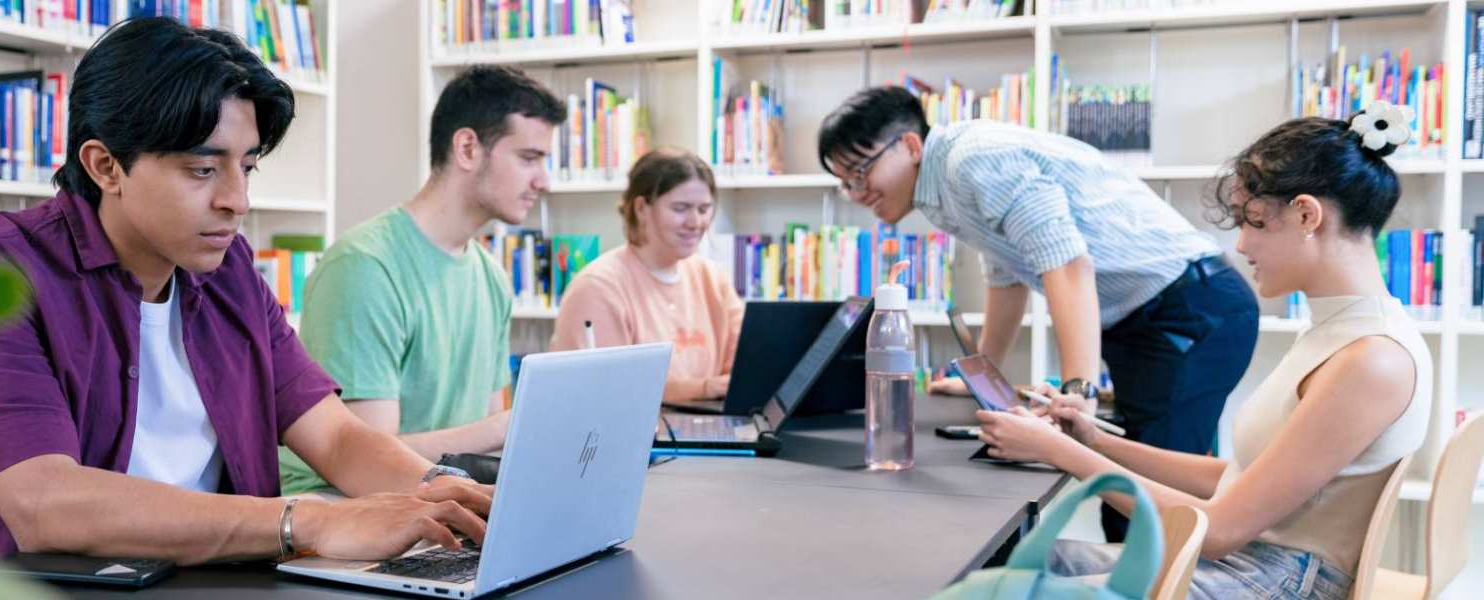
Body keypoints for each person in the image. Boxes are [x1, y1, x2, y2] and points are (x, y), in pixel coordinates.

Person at [0, 18, 493, 564]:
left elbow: (335, 435)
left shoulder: (229, 269)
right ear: (105, 166)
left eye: (247, 167)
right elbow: (45, 504)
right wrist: (306, 521)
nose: (237, 200)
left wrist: (443, 493)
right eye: (202, 169)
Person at [977, 110, 1436, 599]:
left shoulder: (1371, 359)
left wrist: (1056, 450)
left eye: (1254, 223)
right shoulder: (1345, 334)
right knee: (997, 560)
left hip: (1269, 583)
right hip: (1253, 566)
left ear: (1307, 214)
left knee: (998, 582)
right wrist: (1094, 440)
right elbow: (1241, 480)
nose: (1240, 245)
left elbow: (1218, 530)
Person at [817, 86, 1260, 540]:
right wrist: (982, 370)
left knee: (1139, 508)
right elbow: (1007, 277)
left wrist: (1078, 392)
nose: (856, 192)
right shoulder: (942, 185)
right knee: (1151, 487)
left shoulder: (972, 160)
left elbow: (1067, 265)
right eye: (845, 181)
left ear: (910, 145)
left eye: (860, 171)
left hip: (1189, 310)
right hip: (1151, 318)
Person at [277, 65, 567, 495]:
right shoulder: (365, 267)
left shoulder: (491, 277)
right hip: (341, 511)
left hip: (439, 502)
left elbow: (483, 443)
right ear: (468, 148)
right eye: (529, 158)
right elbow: (365, 461)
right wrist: (512, 424)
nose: (543, 181)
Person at [547, 147, 743, 409]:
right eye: (681, 208)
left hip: (704, 431)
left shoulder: (713, 279)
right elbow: (608, 391)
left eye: (704, 209)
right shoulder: (599, 287)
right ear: (641, 208)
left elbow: (742, 375)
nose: (695, 222)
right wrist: (705, 388)